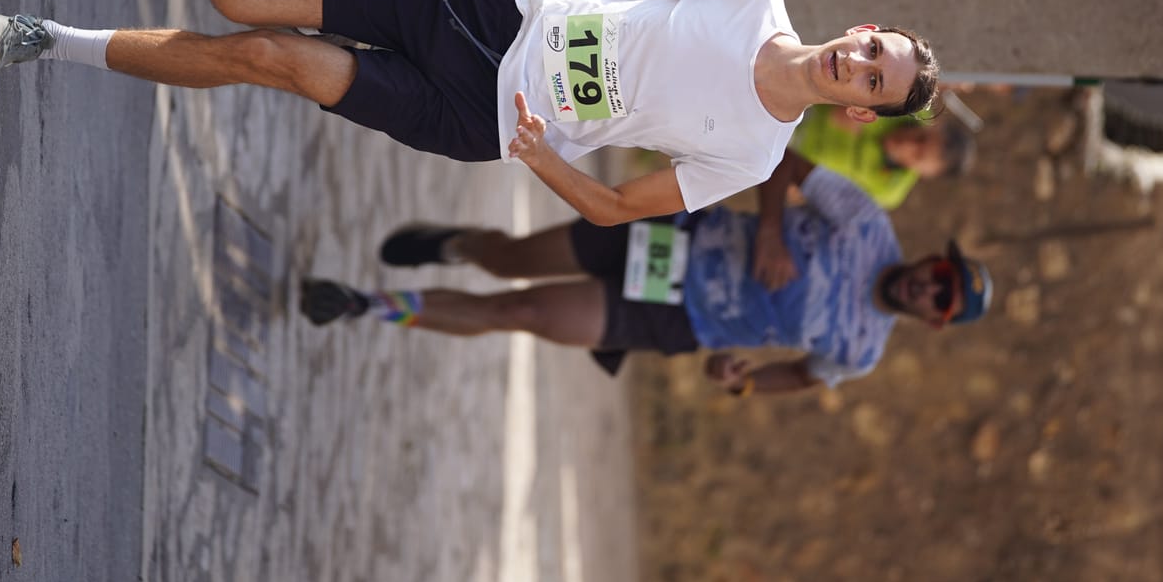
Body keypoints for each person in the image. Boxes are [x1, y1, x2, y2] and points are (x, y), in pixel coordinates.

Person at [0, 0, 942, 224]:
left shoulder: (754, 151)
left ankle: (45, 40)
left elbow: (611, 207)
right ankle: (85, 37)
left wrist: (535, 158)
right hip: (482, 5)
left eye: (873, 82)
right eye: (871, 50)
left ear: (859, 110)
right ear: (859, 33)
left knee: (268, 58)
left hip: (484, 114)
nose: (857, 66)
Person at [297, 149, 994, 395]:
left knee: (524, 314)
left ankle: (364, 304)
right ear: (934, 260)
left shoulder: (861, 352)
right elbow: (779, 161)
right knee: (510, 261)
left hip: (674, 317)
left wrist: (742, 380)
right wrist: (773, 230)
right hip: (669, 236)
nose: (930, 284)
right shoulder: (868, 222)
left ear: (933, 319)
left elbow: (802, 376)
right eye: (942, 273)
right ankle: (459, 244)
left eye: (942, 298)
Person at [787, 104, 976, 211]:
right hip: (801, 105)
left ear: (924, 174)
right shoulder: (912, 103)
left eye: (917, 156)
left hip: (786, 160)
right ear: (934, 126)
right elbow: (842, 111)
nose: (908, 144)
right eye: (921, 138)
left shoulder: (888, 191)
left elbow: (816, 199)